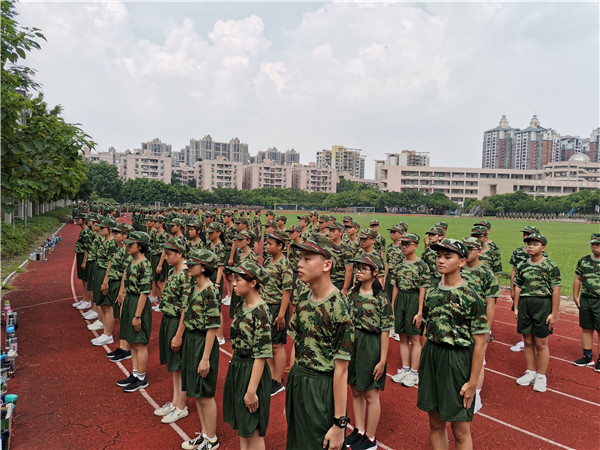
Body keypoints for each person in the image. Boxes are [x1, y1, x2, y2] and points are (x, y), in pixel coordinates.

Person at [417, 238, 488, 450]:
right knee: (435, 423)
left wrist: (473, 382)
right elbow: (427, 329)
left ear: (462, 262)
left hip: (457, 360)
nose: (441, 260)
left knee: (460, 429)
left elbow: (480, 342)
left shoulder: (471, 297)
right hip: (432, 356)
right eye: (439, 256)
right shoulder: (432, 292)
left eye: (448, 257)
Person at [286, 235, 354, 450]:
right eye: (300, 258)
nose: (299, 263)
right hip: (299, 381)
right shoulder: (303, 298)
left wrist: (339, 424)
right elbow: (296, 344)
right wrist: (291, 389)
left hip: (321, 388)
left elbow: (341, 370)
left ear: (326, 265)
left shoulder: (339, 307)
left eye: (307, 258)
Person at [223, 261, 273, 450]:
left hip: (252, 372)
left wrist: (251, 392)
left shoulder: (261, 312)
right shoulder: (241, 305)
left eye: (238, 279)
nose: (233, 283)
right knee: (244, 428)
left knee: (253, 430)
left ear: (253, 283)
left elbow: (261, 356)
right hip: (239, 367)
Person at [346, 254, 393, 450]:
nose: (358, 271)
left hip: (371, 344)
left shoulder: (381, 298)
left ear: (375, 272)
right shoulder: (352, 293)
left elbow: (385, 331)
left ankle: (371, 439)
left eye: (364, 269)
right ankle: (359, 430)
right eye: (358, 268)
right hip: (353, 343)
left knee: (371, 394)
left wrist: (382, 360)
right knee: (355, 390)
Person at [180, 248, 221, 450]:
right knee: (197, 393)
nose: (188, 267)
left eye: (192, 264)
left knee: (205, 393)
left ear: (203, 268)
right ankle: (204, 434)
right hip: (191, 340)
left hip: (203, 342)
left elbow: (212, 328)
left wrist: (205, 358)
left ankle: (212, 439)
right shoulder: (194, 287)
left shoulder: (210, 291)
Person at [513, 233, 561, 393]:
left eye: (535, 244)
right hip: (525, 304)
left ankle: (541, 376)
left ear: (543, 247)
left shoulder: (550, 266)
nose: (530, 246)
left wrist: (553, 314)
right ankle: (530, 372)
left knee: (541, 343)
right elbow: (518, 286)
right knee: (527, 341)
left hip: (542, 304)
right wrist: (516, 307)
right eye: (528, 244)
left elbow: (556, 289)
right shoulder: (522, 265)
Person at [153, 237, 192, 424]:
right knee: (174, 366)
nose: (166, 257)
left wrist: (178, 335)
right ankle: (176, 401)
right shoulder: (172, 271)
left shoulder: (185, 275)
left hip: (178, 322)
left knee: (180, 365)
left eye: (169, 254)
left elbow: (186, 307)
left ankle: (181, 406)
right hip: (168, 319)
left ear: (180, 253)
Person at [461, 237, 499, 413]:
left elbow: (491, 304)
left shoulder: (486, 274)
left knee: (478, 359)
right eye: (465, 248)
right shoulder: (458, 269)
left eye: (471, 249)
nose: (467, 251)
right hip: (459, 321)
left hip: (477, 323)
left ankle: (476, 394)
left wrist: (487, 330)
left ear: (479, 251)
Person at [115, 231, 153, 393]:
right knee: (132, 341)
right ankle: (135, 374)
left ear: (140, 246)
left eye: (131, 244)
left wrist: (137, 316)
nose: (127, 247)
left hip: (138, 303)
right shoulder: (133, 262)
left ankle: (141, 378)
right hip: (130, 300)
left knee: (139, 343)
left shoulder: (145, 265)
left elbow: (144, 292)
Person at [390, 233, 430, 387]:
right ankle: (405, 369)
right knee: (402, 337)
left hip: (413, 299)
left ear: (416, 245)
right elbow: (395, 286)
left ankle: (414, 372)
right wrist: (393, 307)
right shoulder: (399, 265)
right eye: (403, 244)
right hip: (401, 299)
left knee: (414, 338)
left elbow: (422, 290)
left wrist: (420, 312)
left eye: (408, 244)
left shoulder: (422, 266)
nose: (404, 247)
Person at [261, 230, 293, 396]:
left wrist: (281, 315)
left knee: (276, 345)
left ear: (280, 246)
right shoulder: (268, 260)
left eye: (270, 244)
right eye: (266, 243)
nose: (267, 247)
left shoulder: (284, 264)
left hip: (276, 308)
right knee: (267, 343)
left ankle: (278, 381)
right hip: (265, 306)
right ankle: (271, 376)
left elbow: (287, 291)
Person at [103, 223, 134, 363]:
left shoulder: (129, 251)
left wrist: (122, 292)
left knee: (124, 317)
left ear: (125, 235)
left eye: (117, 233)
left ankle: (126, 349)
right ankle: (122, 346)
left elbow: (126, 274)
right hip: (115, 283)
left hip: (122, 286)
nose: (114, 235)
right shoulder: (122, 249)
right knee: (120, 316)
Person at [508, 226, 542, 352]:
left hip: (534, 290)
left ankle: (535, 340)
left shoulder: (542, 254)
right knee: (521, 315)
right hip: (520, 288)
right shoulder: (518, 252)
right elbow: (514, 271)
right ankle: (523, 341)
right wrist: (512, 288)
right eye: (525, 234)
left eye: (529, 234)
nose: (526, 237)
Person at [572, 233, 600, 371]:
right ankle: (587, 356)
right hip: (586, 299)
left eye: (598, 244)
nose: (595, 247)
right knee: (586, 328)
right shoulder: (583, 261)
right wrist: (575, 296)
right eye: (593, 244)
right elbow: (578, 278)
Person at [91, 216, 119, 346]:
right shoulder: (105, 241)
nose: (100, 229)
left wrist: (105, 281)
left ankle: (108, 335)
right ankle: (105, 332)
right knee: (102, 304)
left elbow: (111, 263)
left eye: (103, 228)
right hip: (100, 272)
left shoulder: (112, 244)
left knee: (107, 305)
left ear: (109, 230)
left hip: (105, 274)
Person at [229, 230, 259, 319]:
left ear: (248, 241)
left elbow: (253, 276)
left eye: (240, 240)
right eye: (237, 240)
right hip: (237, 286)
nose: (238, 242)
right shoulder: (239, 253)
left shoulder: (252, 257)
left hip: (245, 289)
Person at [327, 222, 354, 295]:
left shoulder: (345, 249)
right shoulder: (327, 247)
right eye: (330, 231)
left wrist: (345, 289)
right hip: (327, 282)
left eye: (333, 231)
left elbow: (349, 270)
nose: (330, 233)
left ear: (340, 233)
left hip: (338, 283)